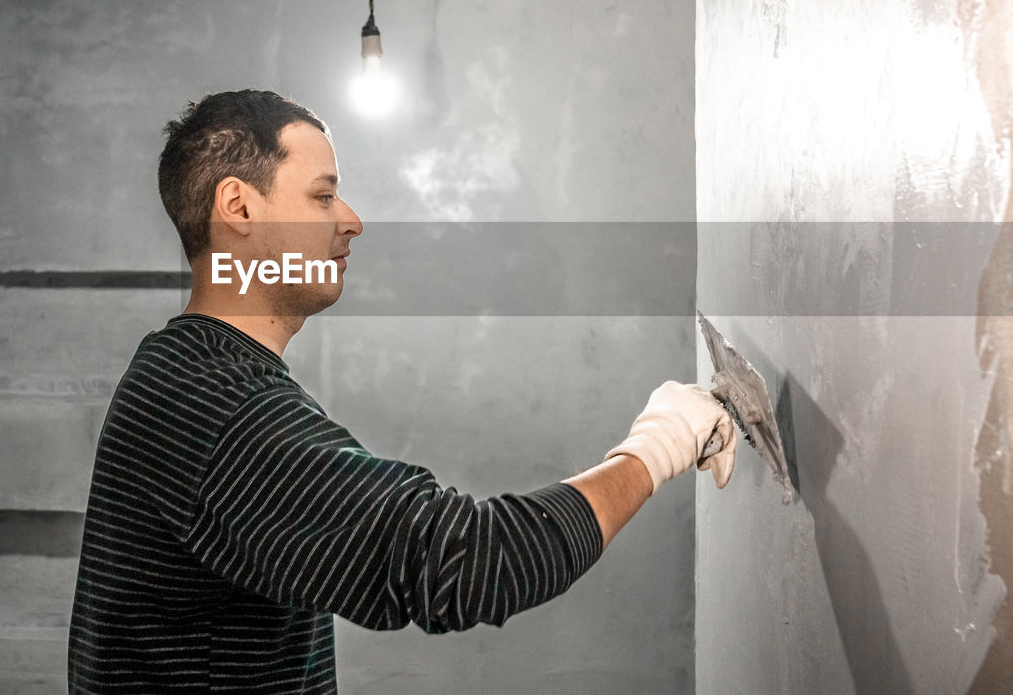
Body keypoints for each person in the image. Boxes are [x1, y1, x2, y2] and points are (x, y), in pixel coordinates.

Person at [67, 89, 737, 693]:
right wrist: (661, 442)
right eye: (323, 196)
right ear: (239, 207)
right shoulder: (217, 405)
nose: (350, 220)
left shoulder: (184, 371)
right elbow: (467, 561)